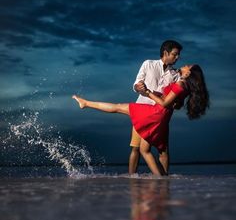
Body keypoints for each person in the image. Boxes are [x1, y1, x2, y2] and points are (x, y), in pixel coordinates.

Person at [72, 64, 209, 176]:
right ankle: (163, 178)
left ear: (188, 73)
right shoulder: (184, 85)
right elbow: (175, 104)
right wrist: (158, 94)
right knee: (147, 149)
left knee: (118, 108)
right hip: (162, 115)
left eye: (187, 66)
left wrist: (147, 93)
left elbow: (165, 103)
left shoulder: (181, 84)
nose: (184, 65)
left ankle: (86, 103)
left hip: (155, 113)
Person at [130, 40, 183, 175]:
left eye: (178, 55)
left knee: (163, 149)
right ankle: (131, 179)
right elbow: (136, 84)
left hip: (161, 115)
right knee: (136, 148)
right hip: (142, 111)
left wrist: (176, 103)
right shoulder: (148, 64)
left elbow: (177, 98)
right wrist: (138, 86)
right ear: (165, 53)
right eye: (175, 54)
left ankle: (164, 181)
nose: (178, 57)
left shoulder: (176, 74)